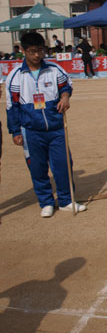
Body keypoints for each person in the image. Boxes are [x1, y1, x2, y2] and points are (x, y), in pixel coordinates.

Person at [5, 32, 86, 217]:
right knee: (37, 167)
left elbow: (66, 86)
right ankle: (46, 202)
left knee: (63, 165)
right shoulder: (15, 76)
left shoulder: (54, 69)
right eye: (32, 51)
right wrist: (15, 131)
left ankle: (66, 200)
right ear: (23, 50)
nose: (37, 55)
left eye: (40, 51)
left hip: (56, 128)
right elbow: (12, 107)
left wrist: (65, 97)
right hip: (31, 131)